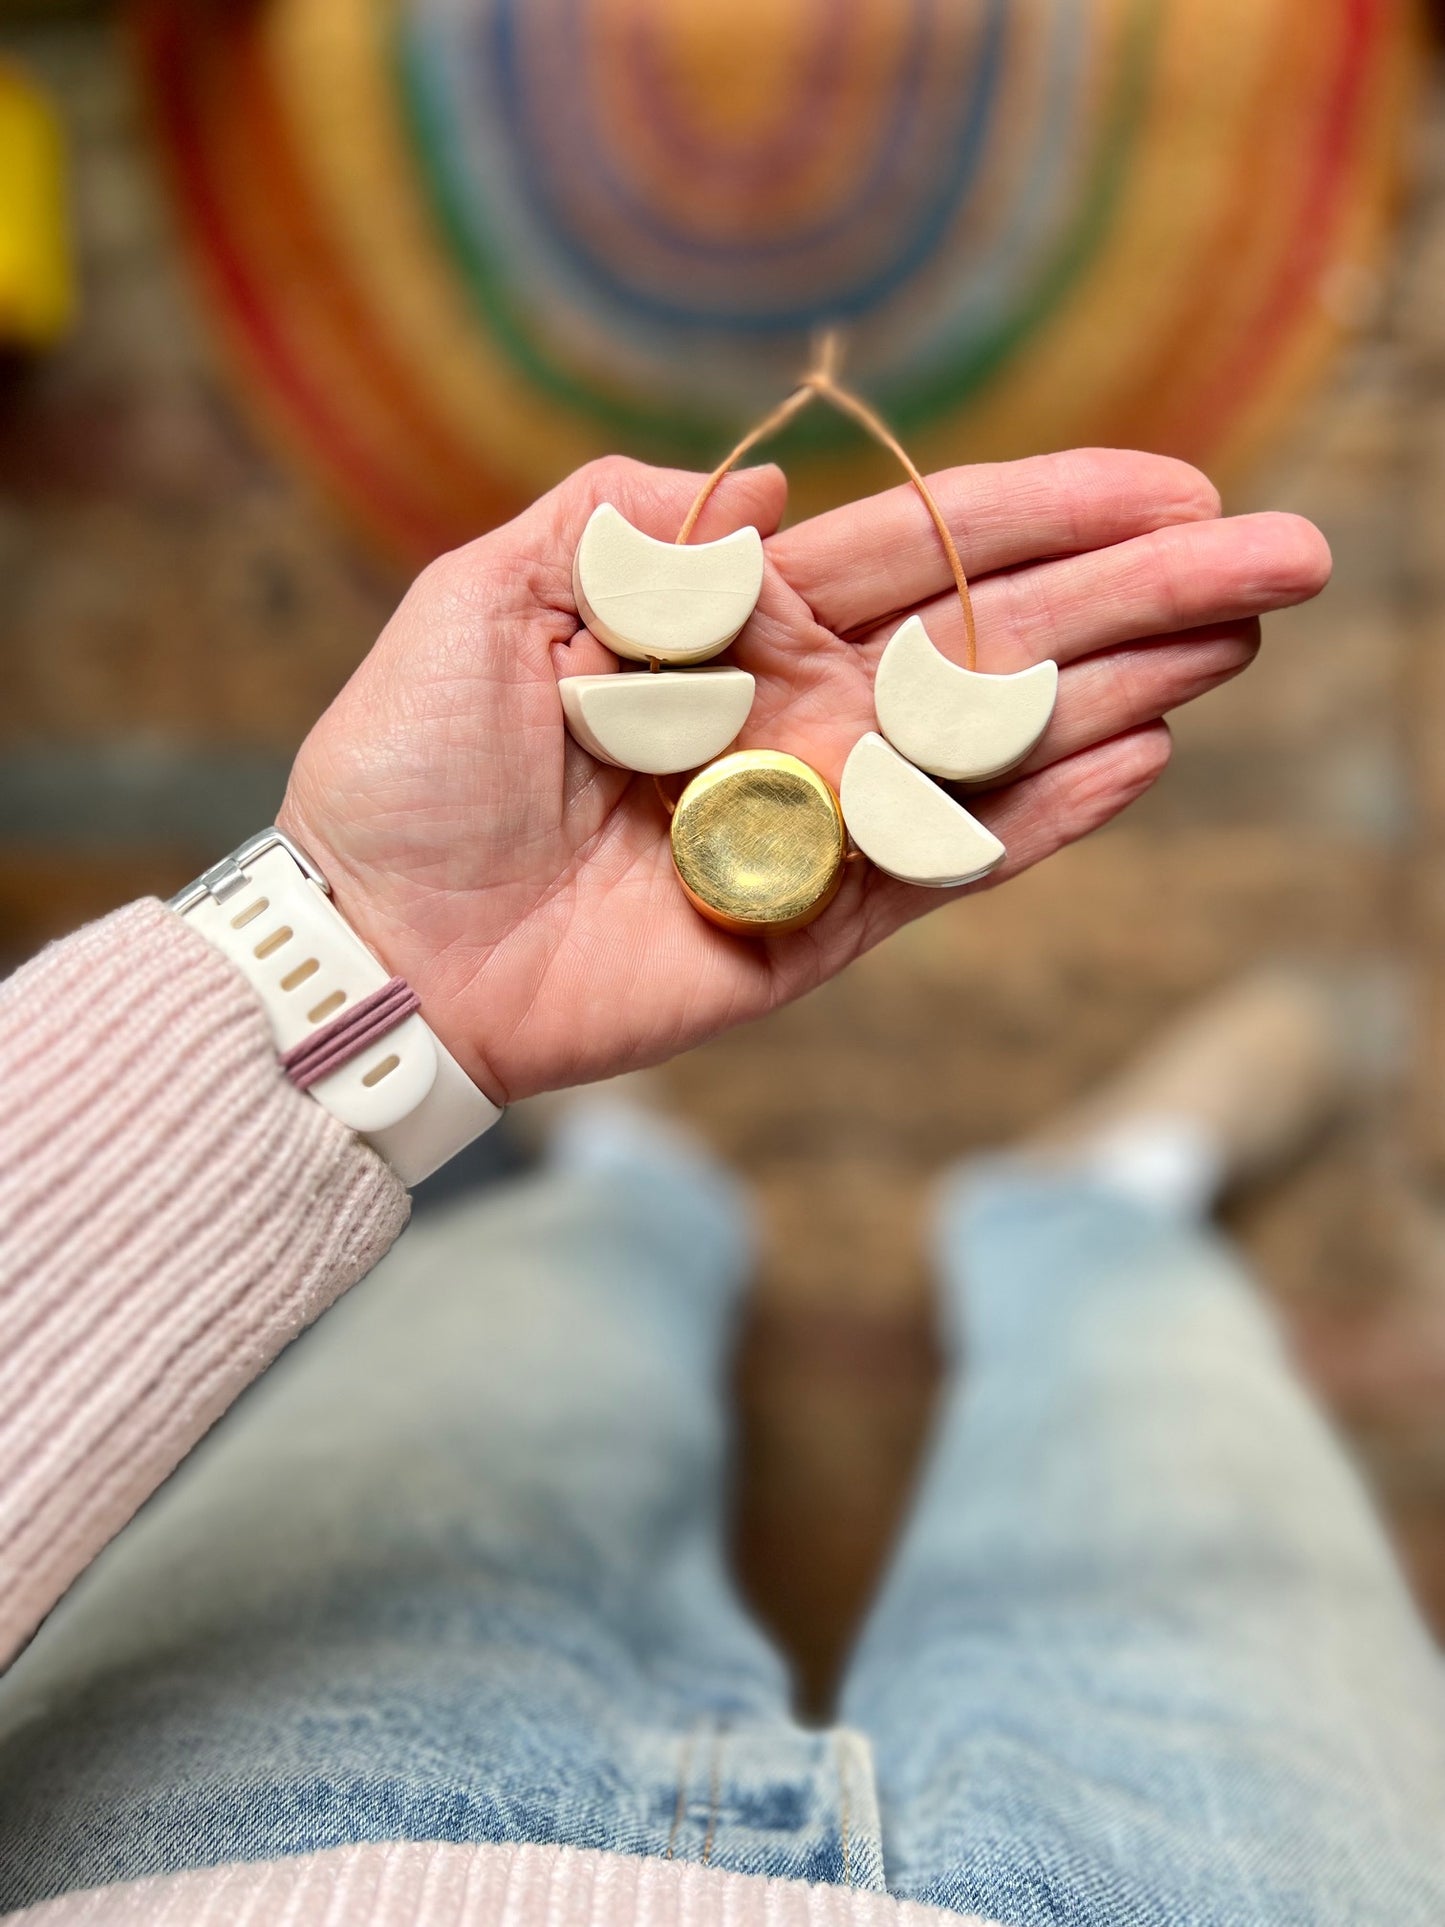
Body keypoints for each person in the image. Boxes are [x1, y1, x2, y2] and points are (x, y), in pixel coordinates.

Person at [1, 452, 1438, 1925]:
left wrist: (370, 954)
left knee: (541, 1285)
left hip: (222, 1859)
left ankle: (635, 1187)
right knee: (1158, 1374)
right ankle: (1100, 1203)